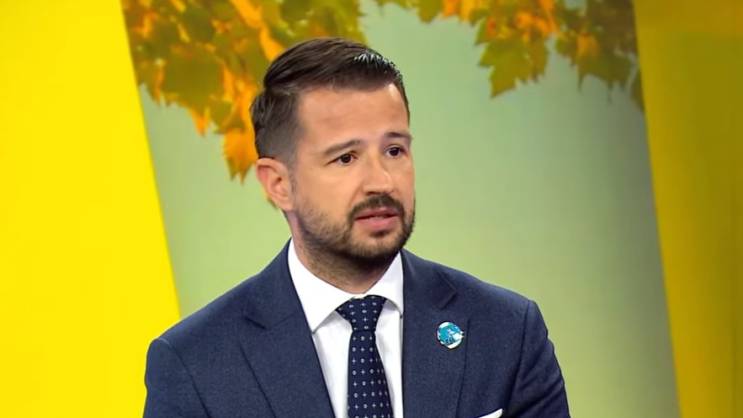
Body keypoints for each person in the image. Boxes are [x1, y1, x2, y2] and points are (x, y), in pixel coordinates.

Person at [143, 37, 569, 418]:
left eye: (394, 150)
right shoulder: (194, 364)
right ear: (279, 184)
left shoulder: (506, 331)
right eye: (346, 158)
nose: (382, 182)